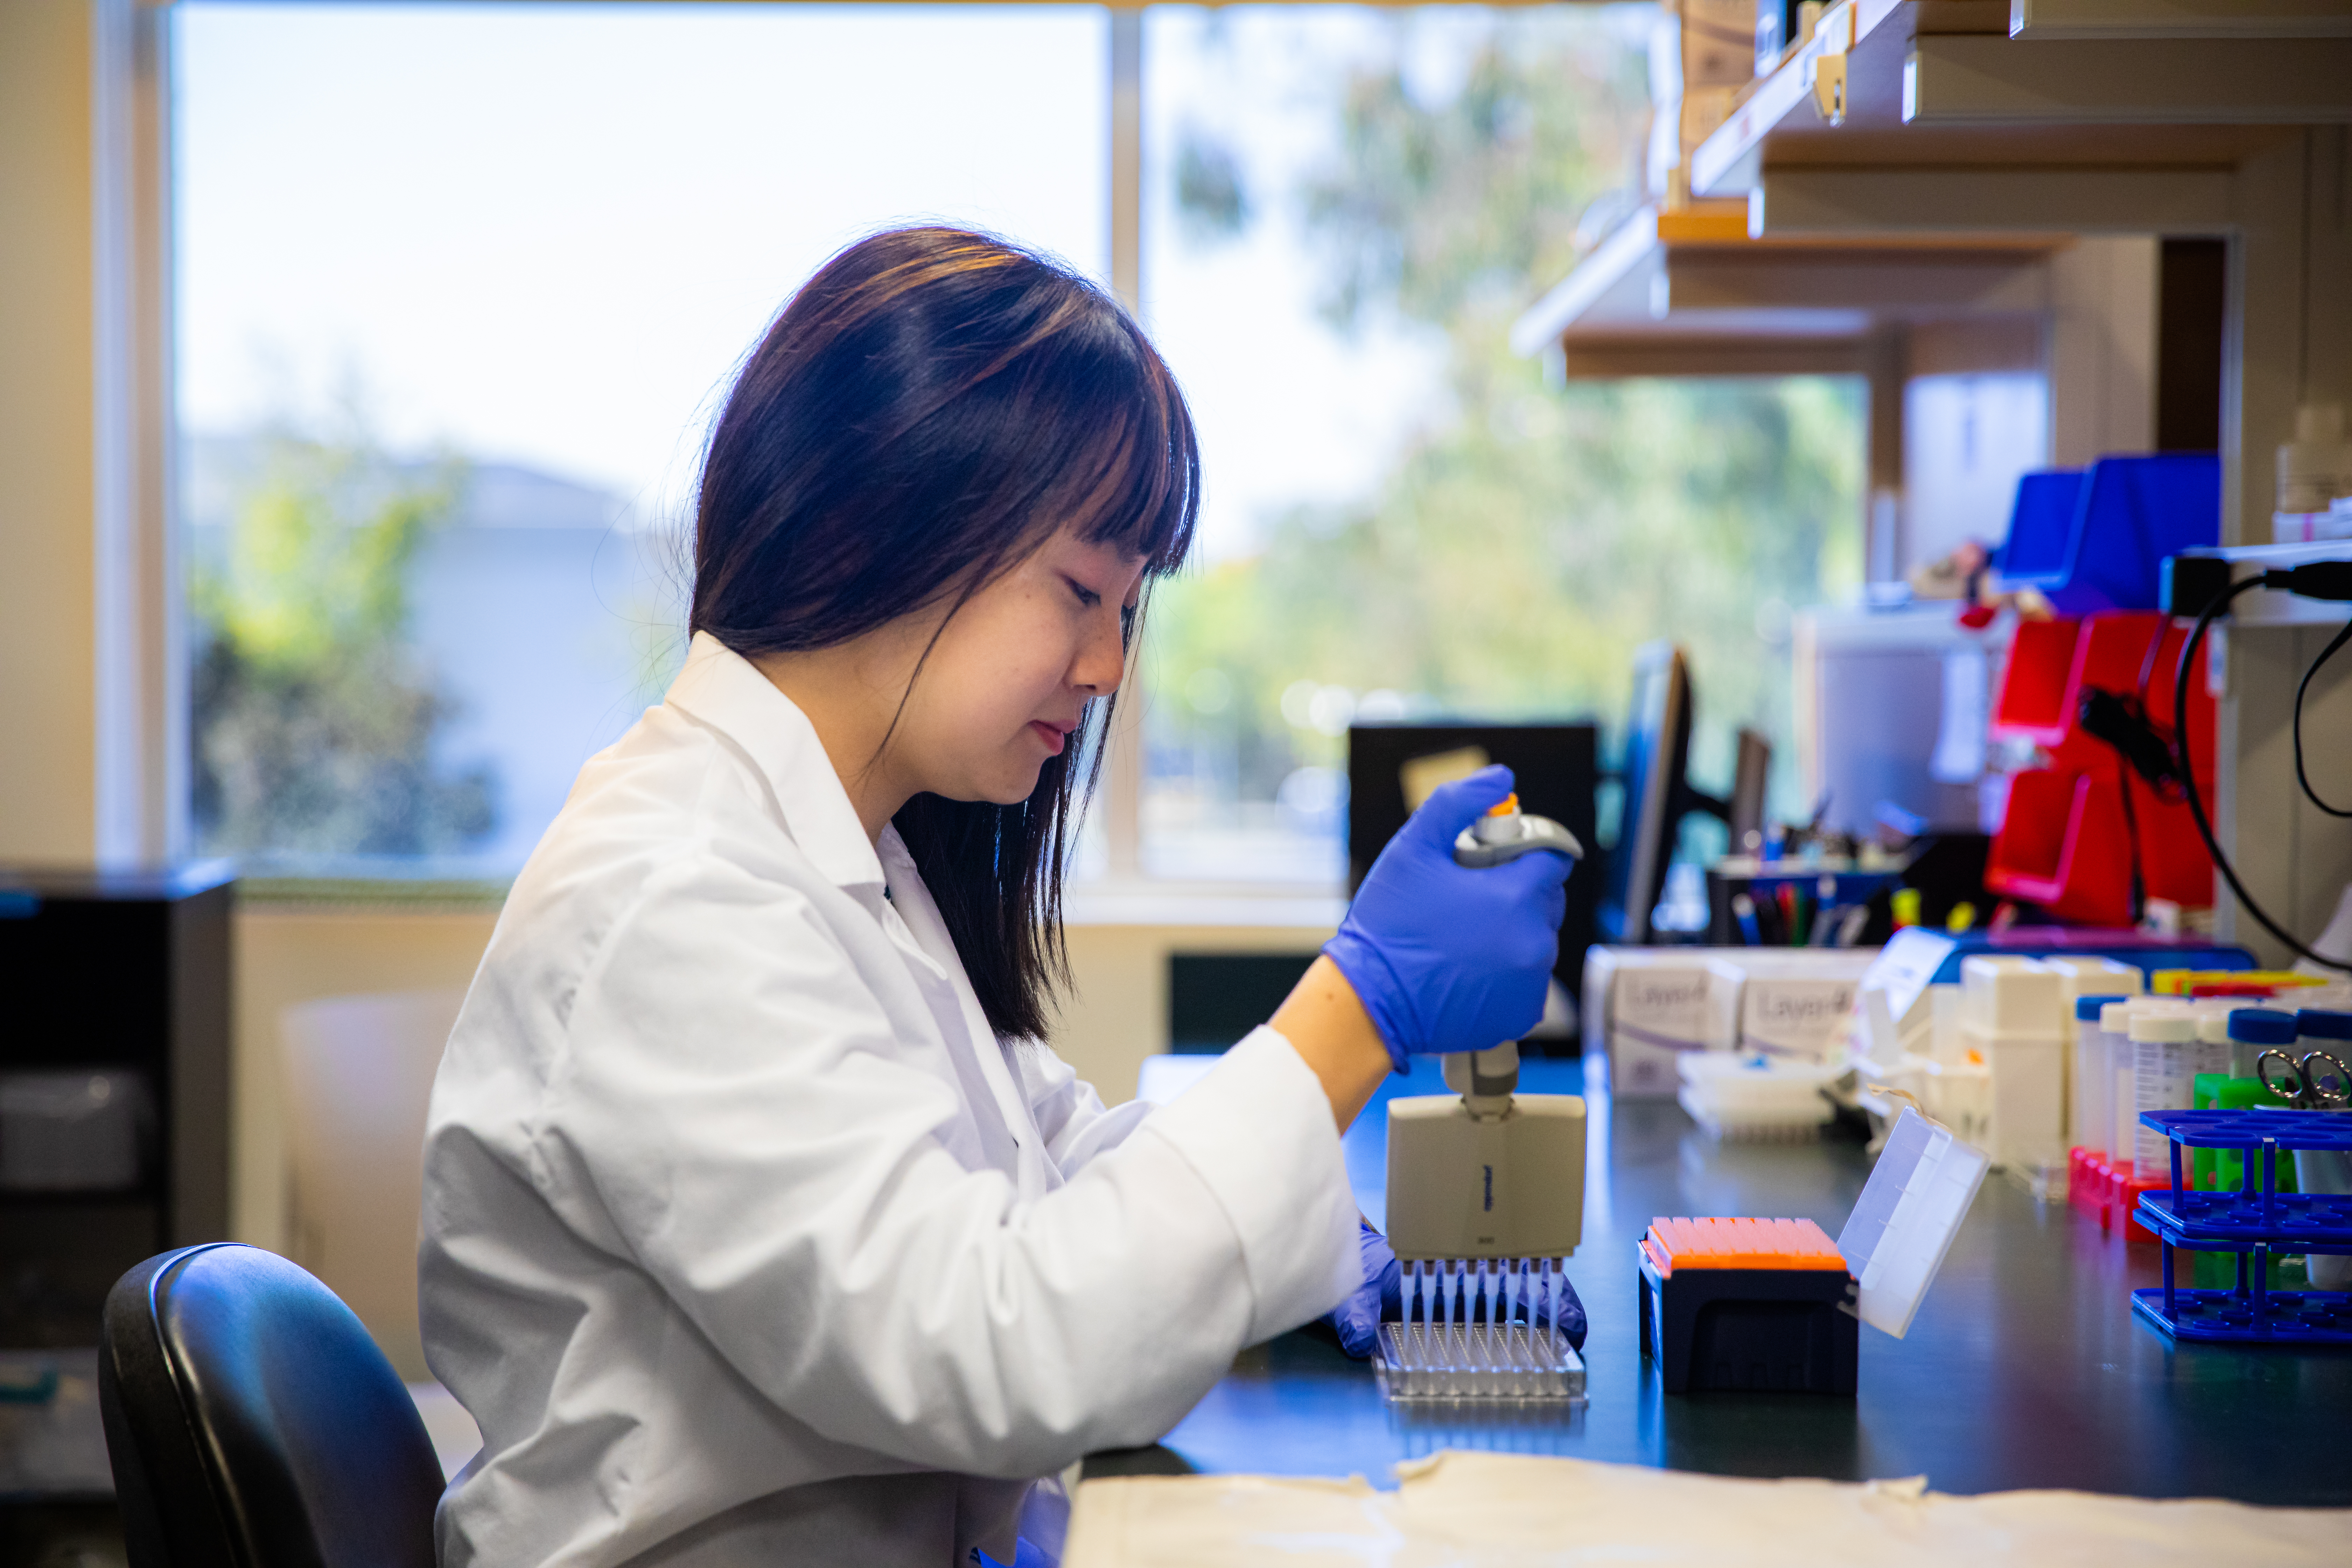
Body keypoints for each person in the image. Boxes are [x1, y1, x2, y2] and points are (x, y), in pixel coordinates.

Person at [419, 227, 1576, 1568]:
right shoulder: (670, 900)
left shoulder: (848, 852)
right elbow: (994, 1343)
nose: (1105, 668)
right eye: (1080, 588)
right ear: (875, 520)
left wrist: (1302, 1236)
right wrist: (1354, 1012)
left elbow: (1041, 1163)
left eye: (1129, 609)